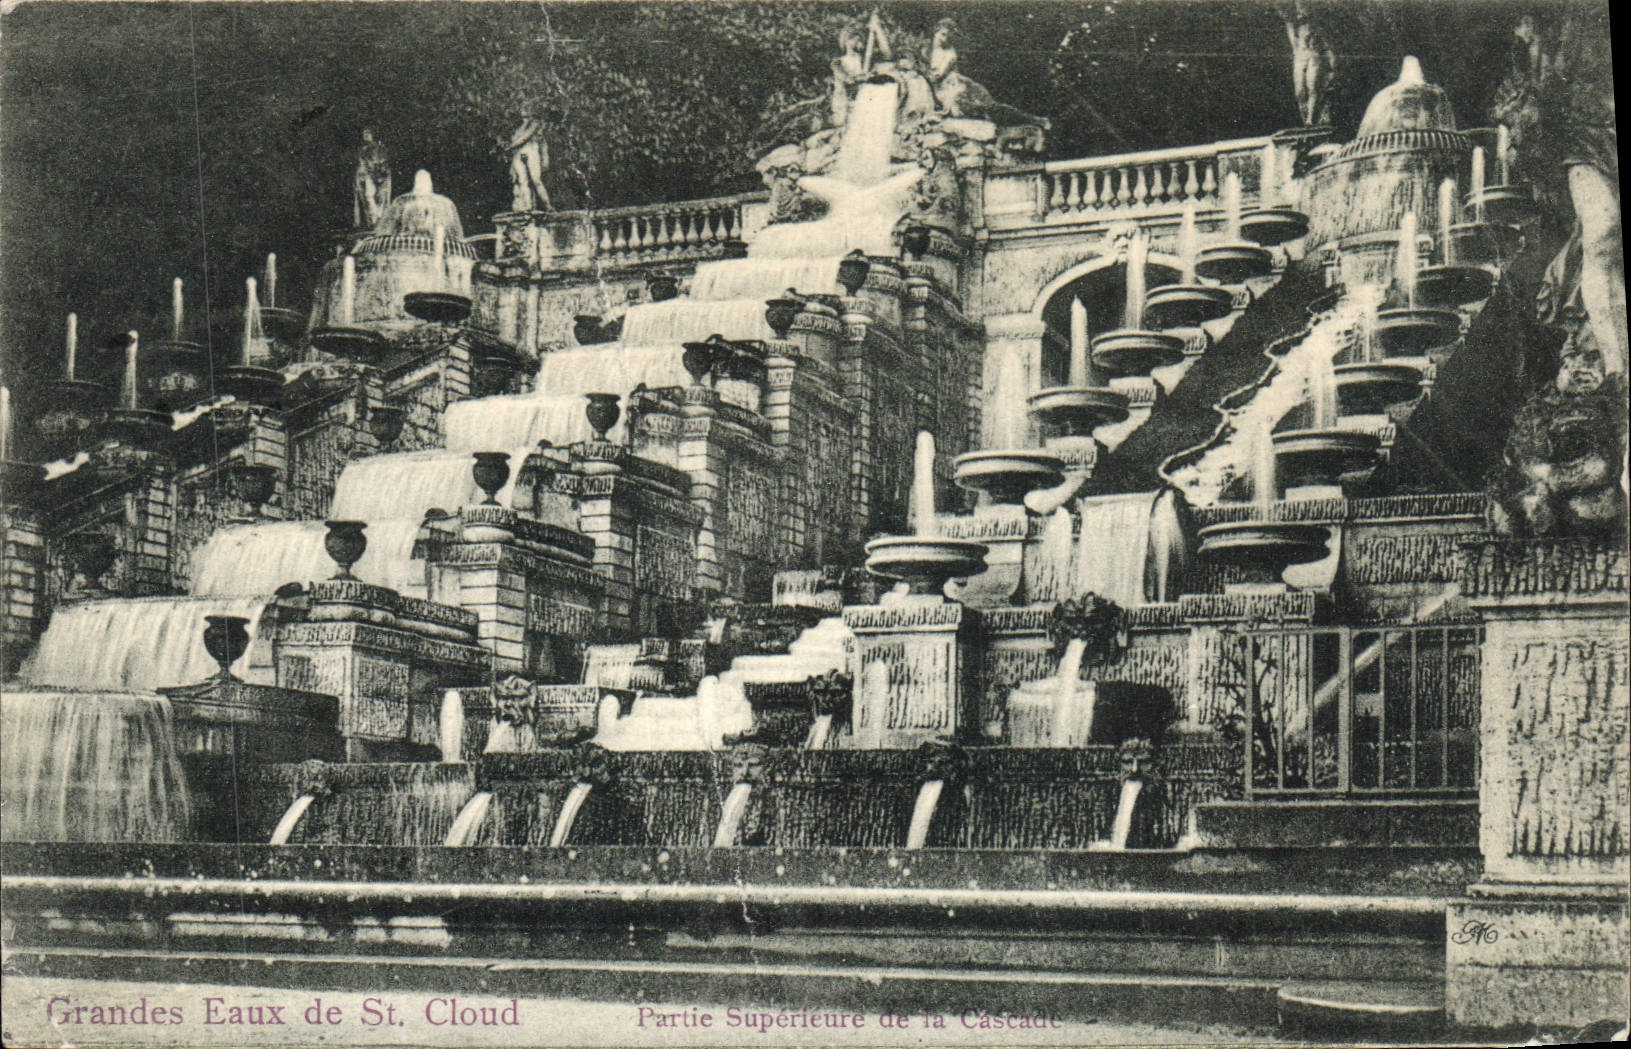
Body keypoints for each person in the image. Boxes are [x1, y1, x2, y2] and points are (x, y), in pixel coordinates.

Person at [508, 118, 552, 213]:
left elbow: (525, 137)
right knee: (523, 181)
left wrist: (510, 146)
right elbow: (516, 139)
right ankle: (528, 205)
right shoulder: (519, 128)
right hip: (519, 154)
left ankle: (548, 205)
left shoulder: (535, 123)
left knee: (536, 180)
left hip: (531, 151)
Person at [353, 128, 391, 229]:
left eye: (368, 133)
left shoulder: (380, 147)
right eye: (364, 133)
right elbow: (362, 162)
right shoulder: (362, 149)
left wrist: (381, 168)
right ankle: (374, 219)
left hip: (380, 174)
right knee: (368, 195)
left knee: (381, 197)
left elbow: (384, 160)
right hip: (368, 174)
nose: (365, 135)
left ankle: (379, 218)